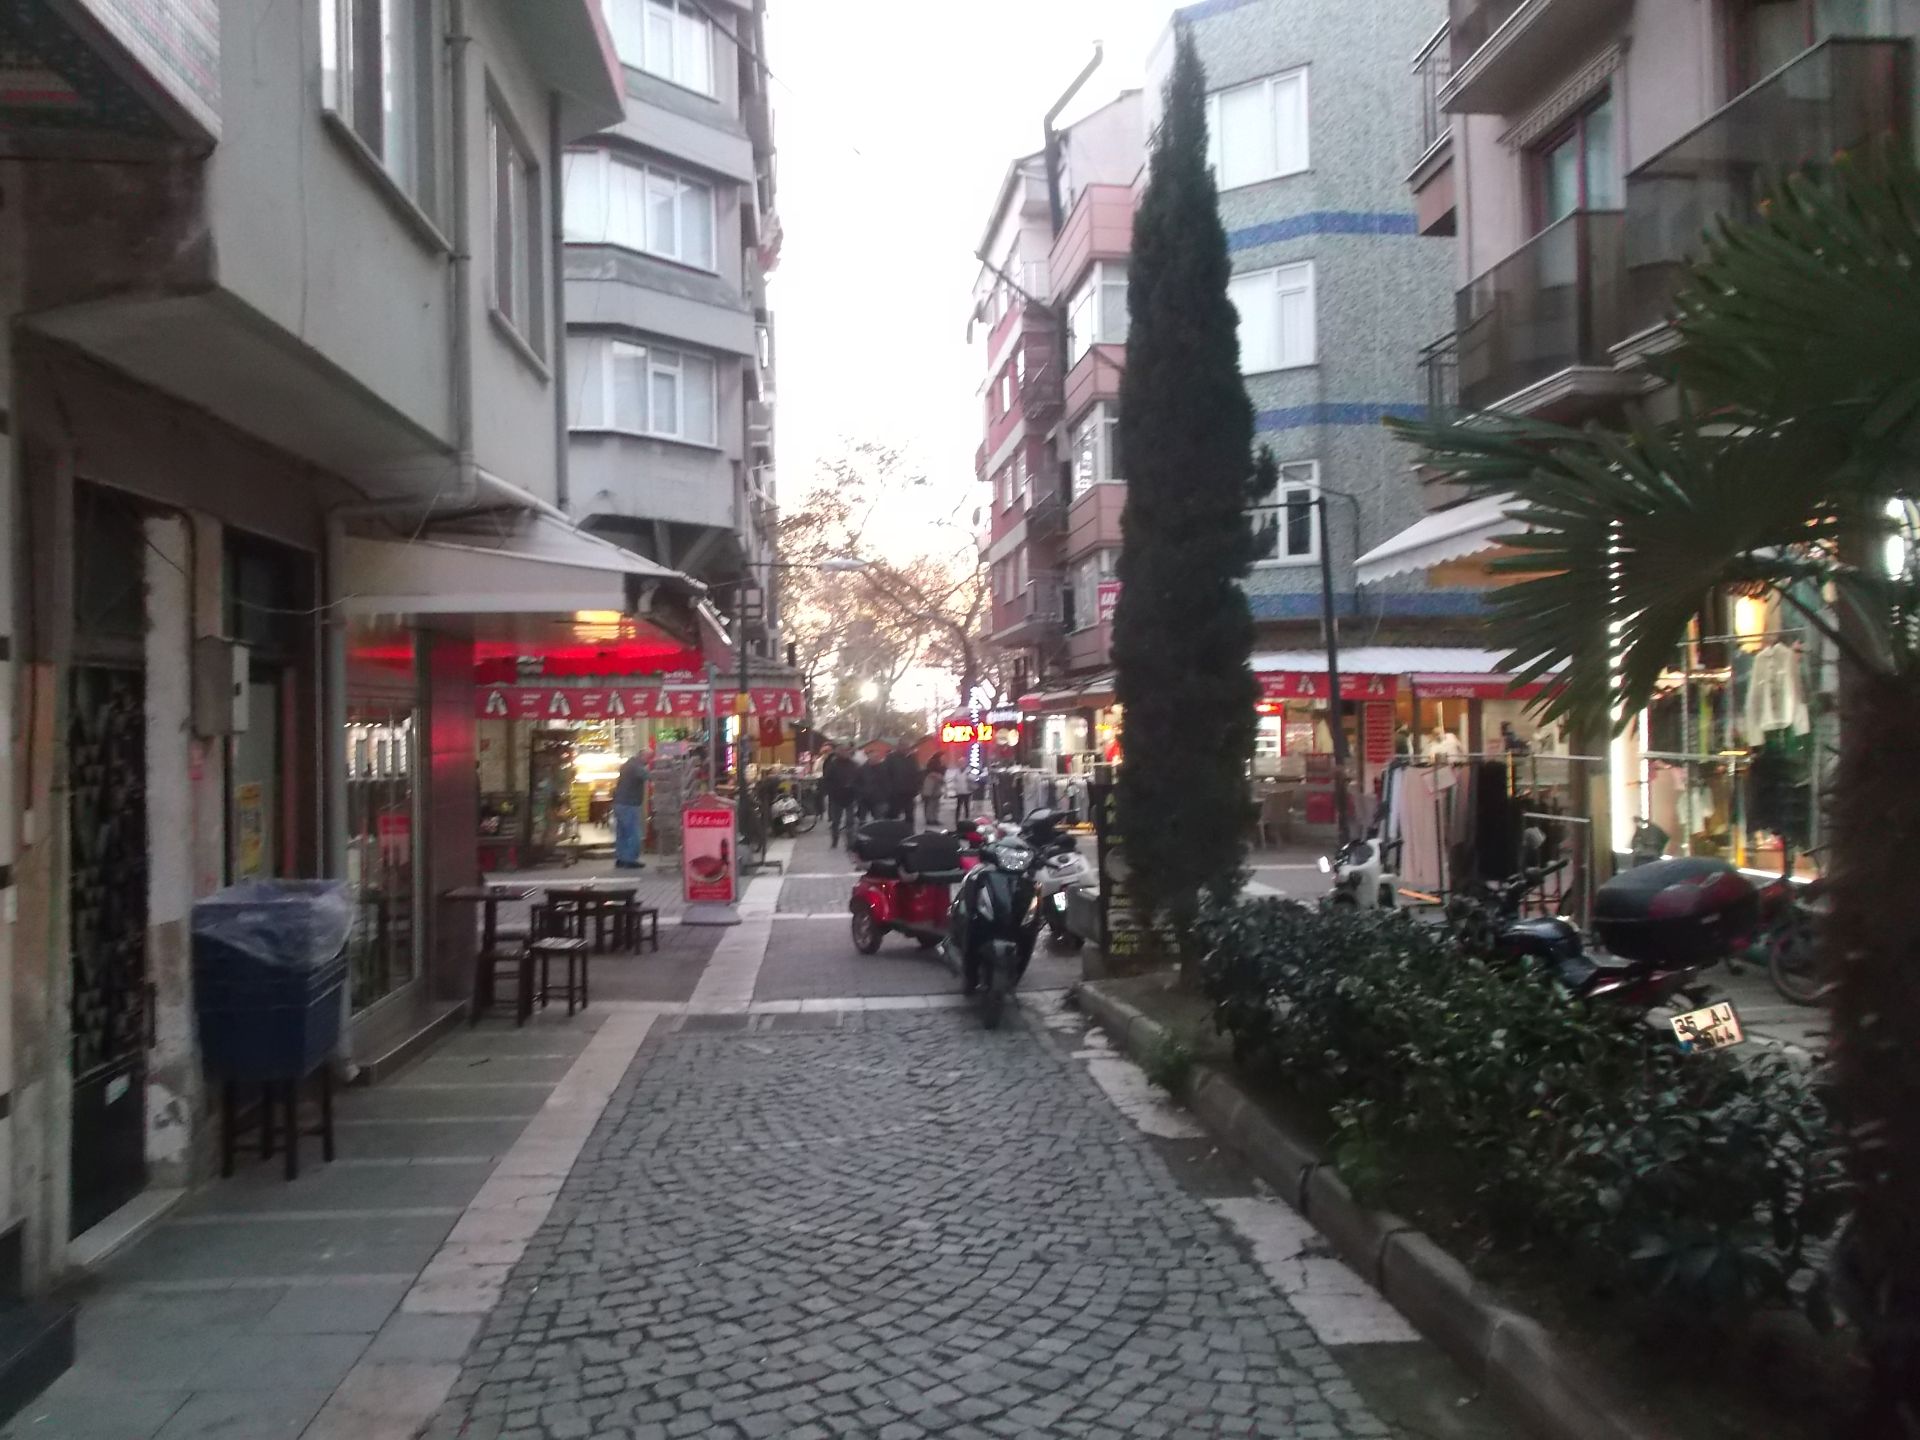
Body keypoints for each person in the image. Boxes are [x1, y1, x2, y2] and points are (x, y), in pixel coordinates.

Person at [611, 751, 648, 870]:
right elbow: (648, 776)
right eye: (648, 758)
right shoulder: (636, 767)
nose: (648, 761)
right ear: (642, 756)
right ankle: (631, 859)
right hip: (629, 804)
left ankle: (621, 858)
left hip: (619, 802)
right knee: (633, 833)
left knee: (622, 833)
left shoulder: (628, 764)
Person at [821, 744, 858, 848]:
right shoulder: (833, 765)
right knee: (836, 821)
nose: (845, 753)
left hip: (850, 796)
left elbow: (859, 779)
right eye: (842, 751)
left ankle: (850, 842)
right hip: (836, 797)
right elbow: (826, 780)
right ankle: (835, 840)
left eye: (846, 751)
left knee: (850, 821)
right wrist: (831, 791)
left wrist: (855, 789)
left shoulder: (854, 765)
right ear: (838, 753)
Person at [884, 743, 921, 822]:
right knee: (893, 814)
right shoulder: (891, 758)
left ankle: (909, 828)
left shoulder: (912, 758)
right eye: (903, 747)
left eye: (907, 747)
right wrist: (889, 790)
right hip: (895, 792)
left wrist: (917, 788)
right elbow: (886, 775)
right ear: (898, 747)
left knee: (910, 814)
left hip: (910, 792)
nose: (906, 749)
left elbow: (916, 773)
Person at [922, 754, 947, 827]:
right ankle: (930, 819)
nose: (944, 758)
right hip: (932, 789)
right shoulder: (933, 766)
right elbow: (933, 775)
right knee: (931, 804)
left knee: (935, 805)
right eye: (943, 756)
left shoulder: (941, 766)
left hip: (936, 789)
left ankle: (933, 818)